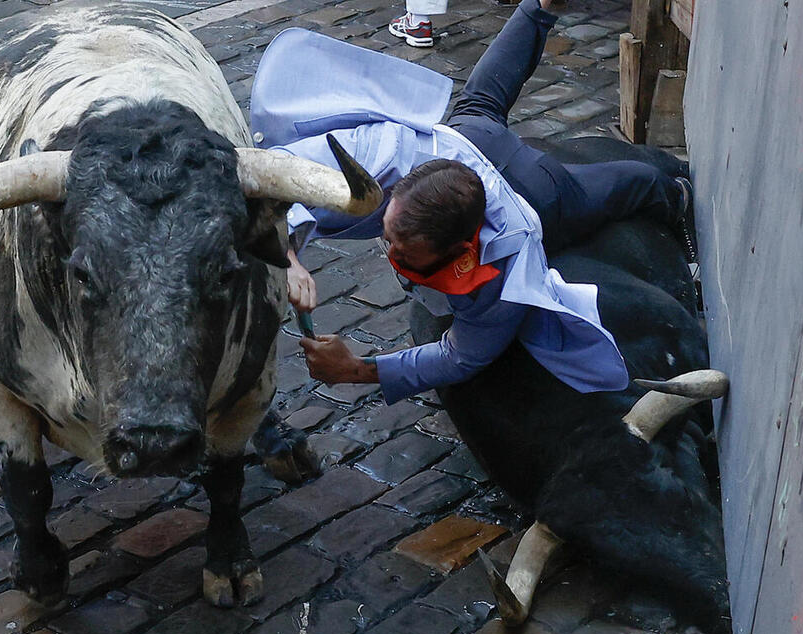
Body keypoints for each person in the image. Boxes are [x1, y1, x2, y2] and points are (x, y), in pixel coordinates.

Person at [248, 0, 694, 406]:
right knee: (479, 104)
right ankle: (539, 8)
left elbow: (462, 355)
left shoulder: (502, 273)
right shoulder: (380, 150)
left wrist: (359, 370)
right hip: (465, 140)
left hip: (530, 187)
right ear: (402, 186)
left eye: (405, 253)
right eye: (389, 235)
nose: (392, 254)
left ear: (464, 254)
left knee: (610, 187)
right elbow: (286, 170)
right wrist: (288, 256)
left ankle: (675, 194)